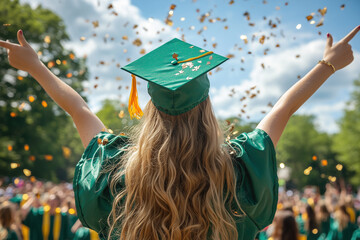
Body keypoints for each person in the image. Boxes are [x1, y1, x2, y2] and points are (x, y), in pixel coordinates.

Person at [0, 25, 358, 240]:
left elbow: (79, 109)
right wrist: (327, 64)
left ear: (151, 108)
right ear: (207, 108)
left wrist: (35, 66)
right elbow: (282, 109)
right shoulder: (239, 168)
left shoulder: (114, 168)